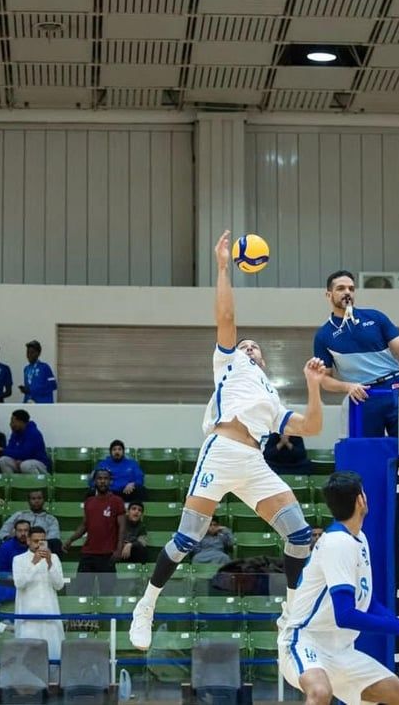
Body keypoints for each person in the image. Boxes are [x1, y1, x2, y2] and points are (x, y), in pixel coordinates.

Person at [130, 231, 326, 651]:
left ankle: (290, 615)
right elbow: (226, 318)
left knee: (299, 534)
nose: (248, 344)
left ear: (265, 358)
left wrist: (313, 385)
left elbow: (310, 428)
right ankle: (146, 605)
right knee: (185, 540)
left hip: (255, 462)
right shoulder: (229, 361)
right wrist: (222, 267)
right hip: (221, 451)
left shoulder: (272, 396)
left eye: (255, 345)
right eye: (245, 342)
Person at [278, 471, 399, 705]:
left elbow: (366, 602)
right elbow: (345, 615)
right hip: (305, 641)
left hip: (342, 651)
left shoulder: (358, 538)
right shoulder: (337, 543)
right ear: (361, 499)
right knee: (320, 692)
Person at [312, 269, 399, 438]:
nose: (347, 293)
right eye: (341, 288)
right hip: (364, 396)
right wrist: (348, 387)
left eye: (351, 288)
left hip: (396, 389)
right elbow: (324, 380)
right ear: (328, 295)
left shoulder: (375, 317)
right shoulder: (323, 336)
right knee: (370, 453)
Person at [13, 525, 65, 662]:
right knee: (28, 659)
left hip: (50, 616)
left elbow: (59, 585)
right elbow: (19, 583)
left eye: (42, 541)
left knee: (53, 657)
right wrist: (34, 563)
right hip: (28, 618)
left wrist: (49, 563)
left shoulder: (53, 558)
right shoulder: (18, 560)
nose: (39, 545)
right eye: (36, 541)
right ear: (28, 540)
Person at [65, 469, 126, 573]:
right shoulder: (89, 502)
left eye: (106, 478)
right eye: (99, 478)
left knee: (107, 589)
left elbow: (122, 527)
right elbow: (84, 525)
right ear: (94, 481)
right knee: (82, 588)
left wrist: (119, 549)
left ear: (110, 481)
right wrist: (71, 540)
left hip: (108, 554)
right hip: (88, 553)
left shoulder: (117, 501)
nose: (102, 481)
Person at [0, 489, 62, 555]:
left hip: (40, 548)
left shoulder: (51, 519)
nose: (36, 501)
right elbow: (3, 532)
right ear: (29, 501)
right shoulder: (19, 515)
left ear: (44, 500)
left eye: (39, 498)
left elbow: (53, 538)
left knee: (56, 543)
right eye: (33, 499)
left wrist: (34, 544)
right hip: (19, 547)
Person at [0, 409, 50, 475]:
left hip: (39, 463)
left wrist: (2, 450)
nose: (11, 424)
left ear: (21, 422)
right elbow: (9, 449)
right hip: (21, 461)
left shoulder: (33, 433)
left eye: (13, 422)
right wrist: (16, 458)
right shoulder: (15, 433)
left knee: (26, 465)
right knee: (3, 460)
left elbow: (26, 454)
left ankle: (39, 484)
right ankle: (12, 483)